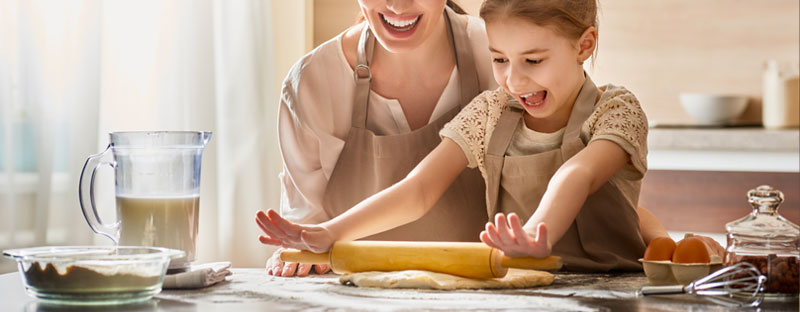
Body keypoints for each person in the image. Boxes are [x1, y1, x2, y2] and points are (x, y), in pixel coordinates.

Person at [259, 0, 721, 272]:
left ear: (585, 46)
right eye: (499, 59)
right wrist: (327, 231)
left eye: (532, 61)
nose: (514, 81)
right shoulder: (491, 108)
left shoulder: (617, 109)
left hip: (610, 288)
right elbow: (419, 189)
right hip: (517, 285)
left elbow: (577, 174)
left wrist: (538, 233)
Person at [271, 0, 499, 277]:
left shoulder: (503, 56)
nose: (398, 5)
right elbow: (308, 231)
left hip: (483, 293)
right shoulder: (312, 82)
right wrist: (299, 253)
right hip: (354, 297)